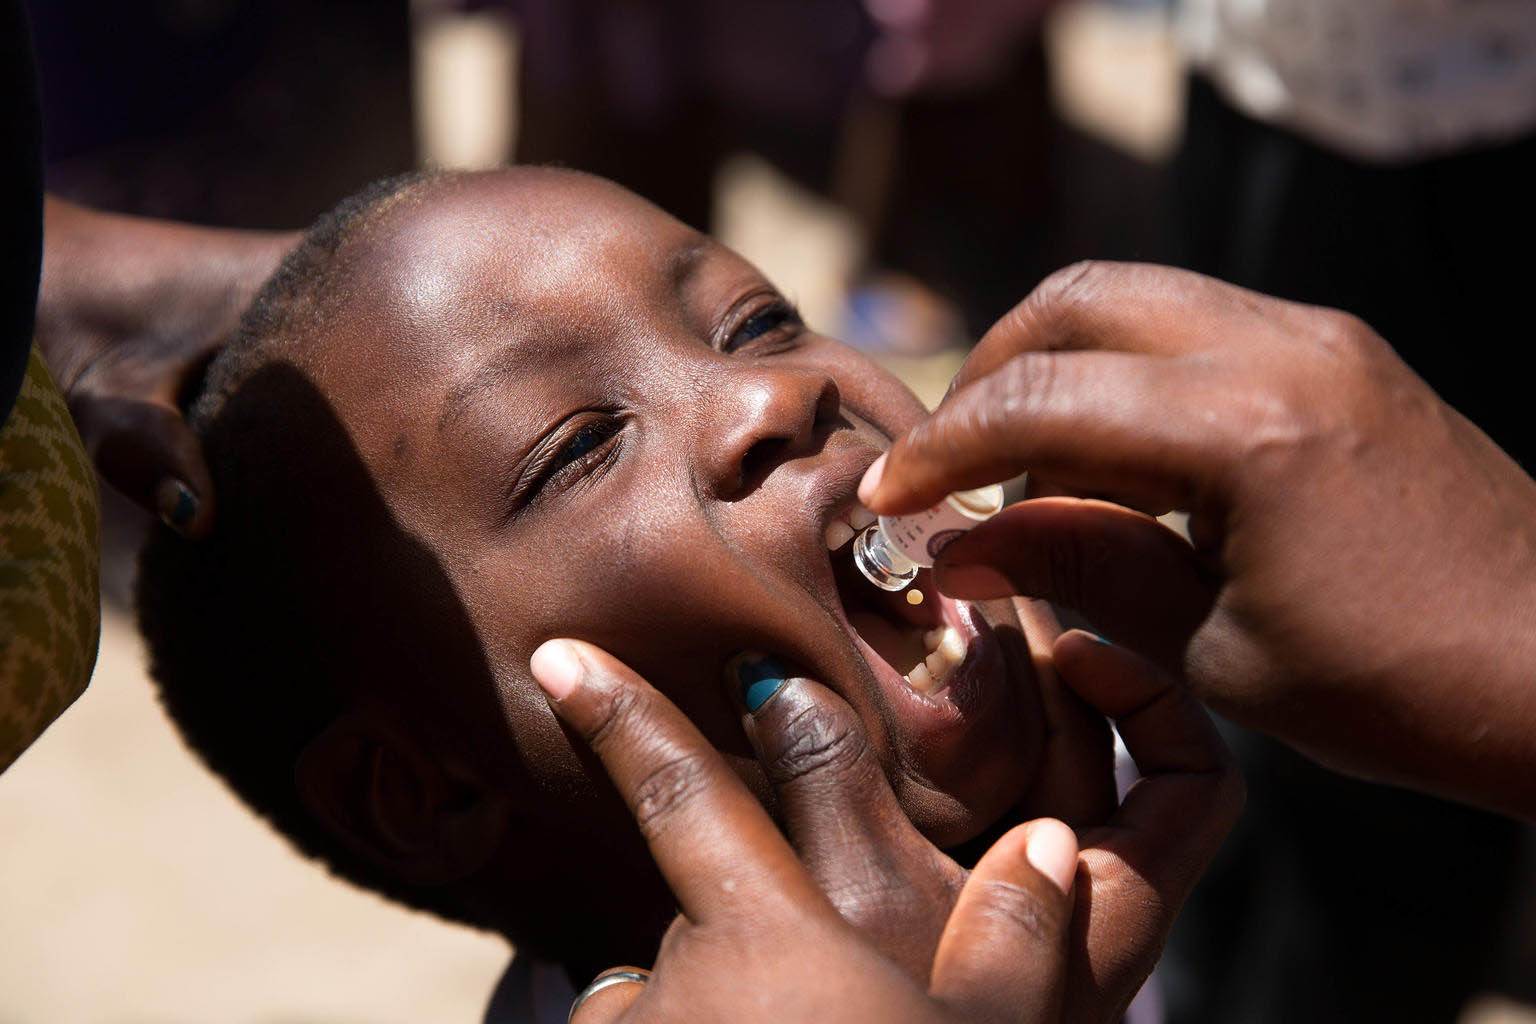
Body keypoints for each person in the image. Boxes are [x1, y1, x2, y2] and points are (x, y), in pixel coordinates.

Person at [131, 168, 1240, 1013]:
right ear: (424, 792)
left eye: (753, 321)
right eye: (577, 449)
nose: (776, 393)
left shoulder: (1203, 782)